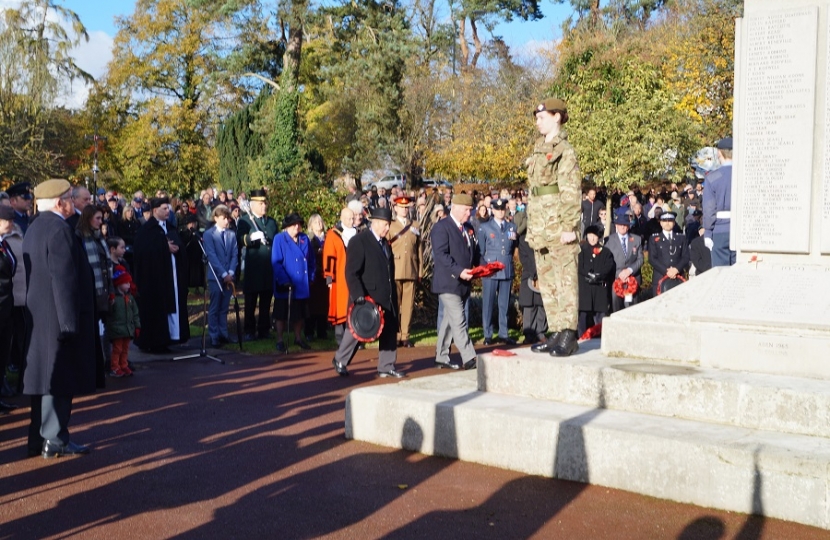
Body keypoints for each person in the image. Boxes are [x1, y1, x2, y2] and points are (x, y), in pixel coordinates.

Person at [23, 179, 95, 458]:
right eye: (68, 197)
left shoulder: (34, 228)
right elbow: (63, 280)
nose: (72, 202)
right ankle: (55, 439)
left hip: (40, 316)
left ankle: (38, 437)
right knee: (59, 380)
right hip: (57, 317)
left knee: (43, 380)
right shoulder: (59, 229)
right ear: (57, 202)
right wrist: (69, 323)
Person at [525, 98, 582, 357]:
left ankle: (569, 332)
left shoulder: (565, 150)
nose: (538, 121)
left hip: (559, 224)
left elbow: (571, 190)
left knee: (565, 277)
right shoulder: (539, 148)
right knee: (547, 280)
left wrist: (570, 225)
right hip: (540, 225)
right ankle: (557, 330)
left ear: (557, 117)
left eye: (542, 117)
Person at [331, 207, 404, 378]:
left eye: (388, 225)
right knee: (358, 331)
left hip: (387, 295)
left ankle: (386, 366)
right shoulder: (360, 241)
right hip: (367, 296)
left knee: (389, 329)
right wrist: (358, 296)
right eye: (385, 225)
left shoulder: (386, 243)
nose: (387, 228)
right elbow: (351, 272)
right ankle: (340, 359)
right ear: (376, 223)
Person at [132, 197, 190, 353]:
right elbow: (143, 251)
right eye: (164, 208)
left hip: (172, 276)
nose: (168, 211)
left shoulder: (171, 227)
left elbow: (180, 247)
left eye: (168, 208)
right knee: (156, 308)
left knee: (172, 306)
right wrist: (164, 247)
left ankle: (171, 337)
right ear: (155, 210)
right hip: (155, 278)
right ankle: (155, 341)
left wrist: (177, 248)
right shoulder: (147, 229)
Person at [430, 193, 478, 371]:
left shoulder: (468, 228)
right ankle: (469, 357)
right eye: (466, 210)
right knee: (459, 320)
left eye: (470, 210)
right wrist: (459, 271)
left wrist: (487, 268)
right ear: (455, 207)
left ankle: (441, 356)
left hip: (463, 283)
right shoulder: (441, 228)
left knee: (450, 321)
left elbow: (475, 253)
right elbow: (441, 255)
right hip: (448, 282)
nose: (469, 214)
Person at [237, 189, 278, 341]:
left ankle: (264, 329)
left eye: (265, 203)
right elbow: (240, 239)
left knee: (266, 301)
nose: (264, 206)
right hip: (254, 267)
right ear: (253, 205)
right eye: (261, 203)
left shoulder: (271, 222)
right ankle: (249, 330)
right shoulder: (245, 221)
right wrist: (251, 237)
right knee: (250, 302)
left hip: (268, 267)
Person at [271, 213, 314, 352]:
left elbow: (312, 261)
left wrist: (311, 278)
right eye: (294, 224)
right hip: (285, 283)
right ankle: (280, 339)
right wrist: (284, 280)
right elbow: (276, 262)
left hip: (301, 283)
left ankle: (298, 338)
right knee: (281, 314)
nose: (297, 226)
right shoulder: (279, 239)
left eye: (299, 224)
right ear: (287, 227)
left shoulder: (304, 239)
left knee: (300, 314)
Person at [477, 198, 517, 345]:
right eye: (497, 209)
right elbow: (480, 250)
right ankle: (487, 334)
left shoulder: (511, 227)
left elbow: (512, 249)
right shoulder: (485, 227)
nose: (500, 212)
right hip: (491, 270)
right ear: (492, 210)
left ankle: (503, 333)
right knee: (488, 303)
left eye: (502, 209)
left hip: (506, 268)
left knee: (504, 304)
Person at [388, 195, 421, 348]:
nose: (404, 210)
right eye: (401, 207)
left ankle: (405, 335)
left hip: (412, 269)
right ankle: (395, 334)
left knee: (408, 305)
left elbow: (419, 249)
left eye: (406, 207)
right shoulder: (390, 226)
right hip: (395, 269)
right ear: (395, 208)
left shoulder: (415, 225)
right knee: (395, 304)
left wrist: (420, 271)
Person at [203, 205, 238, 348]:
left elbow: (235, 254)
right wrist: (223, 273)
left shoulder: (231, 234)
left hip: (228, 276)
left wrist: (230, 272)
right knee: (215, 307)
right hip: (215, 276)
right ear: (216, 218)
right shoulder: (209, 234)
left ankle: (224, 334)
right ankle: (214, 335)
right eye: (224, 218)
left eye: (228, 218)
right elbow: (211, 255)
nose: (227, 221)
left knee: (224, 307)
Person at [324, 207, 355, 346]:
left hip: (354, 275)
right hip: (340, 277)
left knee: (354, 305)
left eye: (353, 218)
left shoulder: (357, 233)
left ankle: (354, 335)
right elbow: (329, 256)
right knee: (340, 306)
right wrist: (329, 277)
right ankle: (339, 336)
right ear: (342, 218)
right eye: (349, 218)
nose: (351, 221)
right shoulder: (333, 234)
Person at [577, 226, 615, 336]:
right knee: (583, 316)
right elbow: (578, 266)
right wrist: (587, 274)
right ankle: (582, 337)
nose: (592, 238)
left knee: (600, 316)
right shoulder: (581, 251)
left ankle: (601, 338)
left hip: (599, 289)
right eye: (590, 235)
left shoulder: (606, 252)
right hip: (585, 289)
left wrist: (599, 275)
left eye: (595, 236)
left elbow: (609, 266)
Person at [703, 137, 735, 266]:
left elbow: (709, 209)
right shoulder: (744, 175)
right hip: (741, 232)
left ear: (719, 153)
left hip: (720, 230)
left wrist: (708, 232)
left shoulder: (712, 177)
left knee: (721, 275)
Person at [604, 211, 644, 312]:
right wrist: (619, 274)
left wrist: (629, 271)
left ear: (628, 226)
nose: (623, 227)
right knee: (616, 308)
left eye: (625, 225)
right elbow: (607, 261)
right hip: (616, 279)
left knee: (632, 308)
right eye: (620, 224)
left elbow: (640, 259)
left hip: (633, 279)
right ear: (616, 225)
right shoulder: (608, 240)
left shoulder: (636, 239)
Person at [0, 205, 19, 412]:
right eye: (8, 221)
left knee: (3, 352)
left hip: (6, 305)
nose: (12, 224)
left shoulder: (4, 244)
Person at [107, 265, 140, 377]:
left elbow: (135, 313)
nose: (129, 285)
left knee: (125, 349)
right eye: (126, 283)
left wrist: (137, 326)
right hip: (117, 329)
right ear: (119, 284)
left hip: (127, 328)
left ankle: (123, 364)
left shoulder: (130, 298)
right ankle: (115, 367)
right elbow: (110, 313)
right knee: (117, 349)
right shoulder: (114, 299)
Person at [648, 211, 690, 296]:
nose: (667, 223)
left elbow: (686, 256)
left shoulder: (681, 238)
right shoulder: (654, 238)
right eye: (664, 220)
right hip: (660, 277)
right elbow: (652, 259)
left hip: (677, 276)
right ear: (660, 223)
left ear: (674, 222)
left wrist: (676, 269)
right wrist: (667, 271)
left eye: (670, 220)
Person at [305, 213, 329, 341]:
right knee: (312, 305)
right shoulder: (308, 239)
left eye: (320, 221)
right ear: (311, 225)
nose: (319, 224)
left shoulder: (328, 238)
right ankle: (309, 331)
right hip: (314, 275)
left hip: (325, 276)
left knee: (324, 304)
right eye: (316, 222)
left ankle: (322, 331)